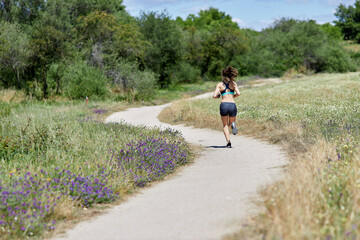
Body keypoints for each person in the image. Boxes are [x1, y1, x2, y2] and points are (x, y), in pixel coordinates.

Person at [212, 66, 241, 148]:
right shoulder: (234, 84)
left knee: (225, 125)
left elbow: (214, 96)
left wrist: (219, 96)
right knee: (231, 122)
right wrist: (232, 97)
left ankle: (228, 142)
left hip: (224, 105)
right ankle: (233, 125)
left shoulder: (220, 85)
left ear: (223, 75)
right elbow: (238, 93)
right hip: (232, 104)